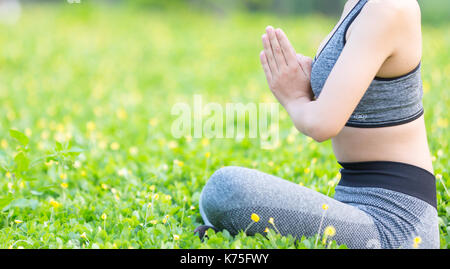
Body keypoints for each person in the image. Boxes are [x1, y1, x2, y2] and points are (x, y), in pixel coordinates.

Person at [195, 0, 439, 249]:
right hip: (351, 203)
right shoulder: (359, 4)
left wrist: (294, 98)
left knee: (227, 188)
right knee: (222, 193)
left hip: (397, 227)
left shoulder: (389, 8)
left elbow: (323, 124)